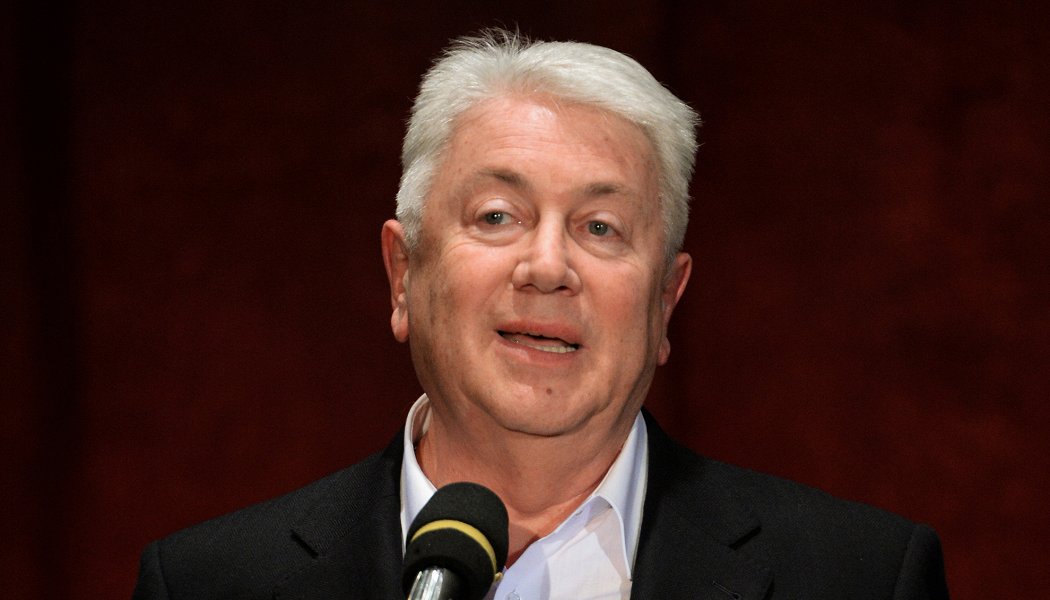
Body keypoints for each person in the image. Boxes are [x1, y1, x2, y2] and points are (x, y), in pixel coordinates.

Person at [133, 29, 949, 599]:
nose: (549, 267)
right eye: (498, 216)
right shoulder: (210, 583)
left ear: (666, 301)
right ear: (403, 275)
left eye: (601, 228)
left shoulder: (861, 577)